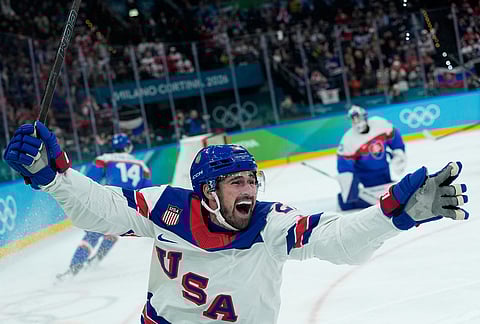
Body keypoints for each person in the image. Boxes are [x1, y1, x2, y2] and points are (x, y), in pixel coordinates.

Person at [4, 121, 469, 323]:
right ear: (207, 191)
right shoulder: (167, 207)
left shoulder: (269, 226)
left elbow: (336, 238)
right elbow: (101, 209)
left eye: (252, 179)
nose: (249, 190)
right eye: (235, 182)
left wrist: (393, 216)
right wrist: (55, 176)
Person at [57, 133, 153, 279]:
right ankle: (95, 261)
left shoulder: (104, 159)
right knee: (114, 232)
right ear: (127, 147)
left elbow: (89, 180)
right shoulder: (142, 165)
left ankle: (73, 269)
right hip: (129, 208)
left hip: (108, 201)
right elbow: (148, 190)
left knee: (93, 233)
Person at [336, 105, 407, 211]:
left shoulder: (379, 124)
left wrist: (398, 152)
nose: (357, 122)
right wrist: (348, 181)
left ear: (365, 117)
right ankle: (343, 199)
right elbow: (344, 164)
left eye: (358, 118)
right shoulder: (348, 140)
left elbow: (394, 136)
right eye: (353, 120)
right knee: (381, 201)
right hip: (366, 176)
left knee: (390, 195)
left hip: (384, 168)